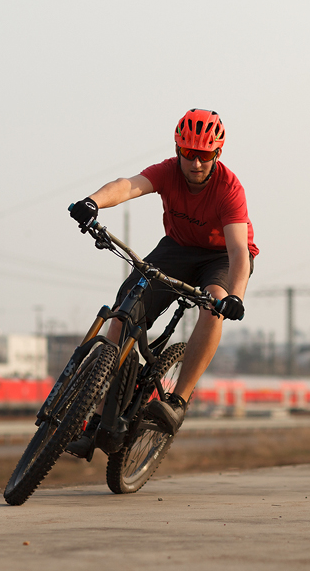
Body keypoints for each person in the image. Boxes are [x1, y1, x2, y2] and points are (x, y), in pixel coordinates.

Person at [66, 109, 258, 457]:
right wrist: (93, 202)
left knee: (214, 303)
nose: (195, 164)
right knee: (125, 310)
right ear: (177, 149)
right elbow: (128, 186)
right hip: (178, 249)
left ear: (217, 155)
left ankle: (178, 400)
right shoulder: (168, 172)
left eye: (204, 156)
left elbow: (238, 252)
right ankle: (97, 420)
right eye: (188, 154)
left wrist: (236, 296)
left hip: (220, 257)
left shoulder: (229, 189)